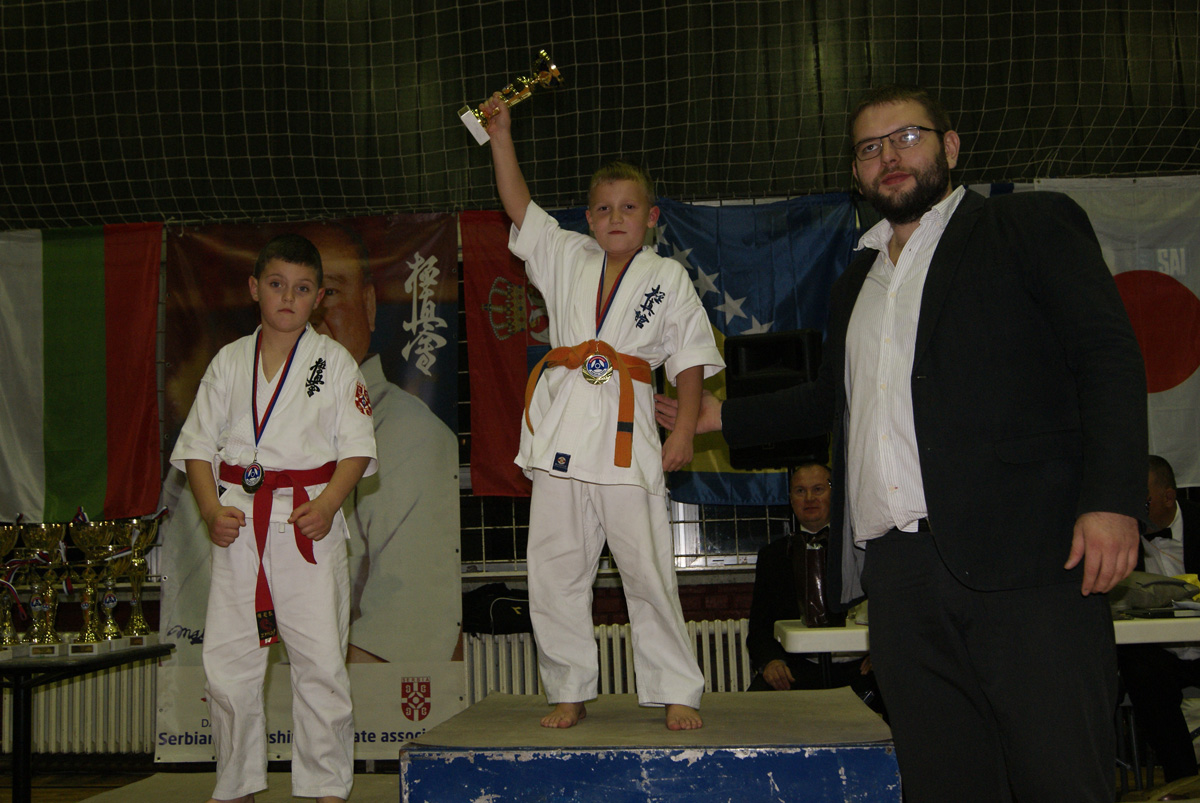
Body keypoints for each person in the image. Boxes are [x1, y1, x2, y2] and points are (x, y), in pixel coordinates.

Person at [656, 84, 1147, 800]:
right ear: (856, 174)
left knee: (1060, 778)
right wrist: (719, 418)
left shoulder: (1026, 223)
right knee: (945, 784)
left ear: (951, 147)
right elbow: (830, 398)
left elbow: (1107, 354)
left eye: (907, 138)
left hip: (1030, 559)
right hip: (899, 578)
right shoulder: (856, 278)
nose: (889, 156)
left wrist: (1111, 499)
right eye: (869, 148)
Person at [481, 92, 724, 730]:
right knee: (555, 569)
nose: (616, 218)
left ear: (652, 217)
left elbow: (689, 360)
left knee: (646, 568)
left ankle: (676, 688)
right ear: (589, 218)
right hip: (563, 436)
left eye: (629, 208)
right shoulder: (566, 255)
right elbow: (518, 206)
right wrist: (501, 137)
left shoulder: (666, 278)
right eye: (605, 208)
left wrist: (684, 434)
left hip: (628, 437)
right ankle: (568, 688)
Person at [172, 234, 377, 803]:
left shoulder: (334, 363)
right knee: (229, 662)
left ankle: (326, 786)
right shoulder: (228, 361)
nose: (289, 297)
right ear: (254, 288)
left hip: (308, 523)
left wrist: (330, 504)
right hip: (239, 524)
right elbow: (197, 447)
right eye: (277, 284)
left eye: (303, 288)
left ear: (319, 297)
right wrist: (210, 509)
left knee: (320, 662)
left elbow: (358, 448)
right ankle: (235, 783)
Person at [301, 222, 461, 665]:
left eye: (331, 292)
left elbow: (403, 628)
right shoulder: (252, 426)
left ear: (368, 305)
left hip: (347, 694)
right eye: (298, 295)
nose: (313, 315)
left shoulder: (408, 432)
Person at [746, 462, 877, 705]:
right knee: (751, 709)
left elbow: (893, 611)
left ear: (835, 494)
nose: (809, 499)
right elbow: (759, 627)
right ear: (791, 499)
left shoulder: (864, 548)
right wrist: (771, 662)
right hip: (798, 668)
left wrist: (882, 654)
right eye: (800, 491)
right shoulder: (772, 556)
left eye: (818, 489)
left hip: (861, 668)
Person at [1119, 455, 1200, 782]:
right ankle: (1184, 781)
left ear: (1169, 497)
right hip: (1159, 653)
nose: (1134, 510)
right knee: (1139, 670)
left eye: (1143, 501)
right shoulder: (1120, 537)